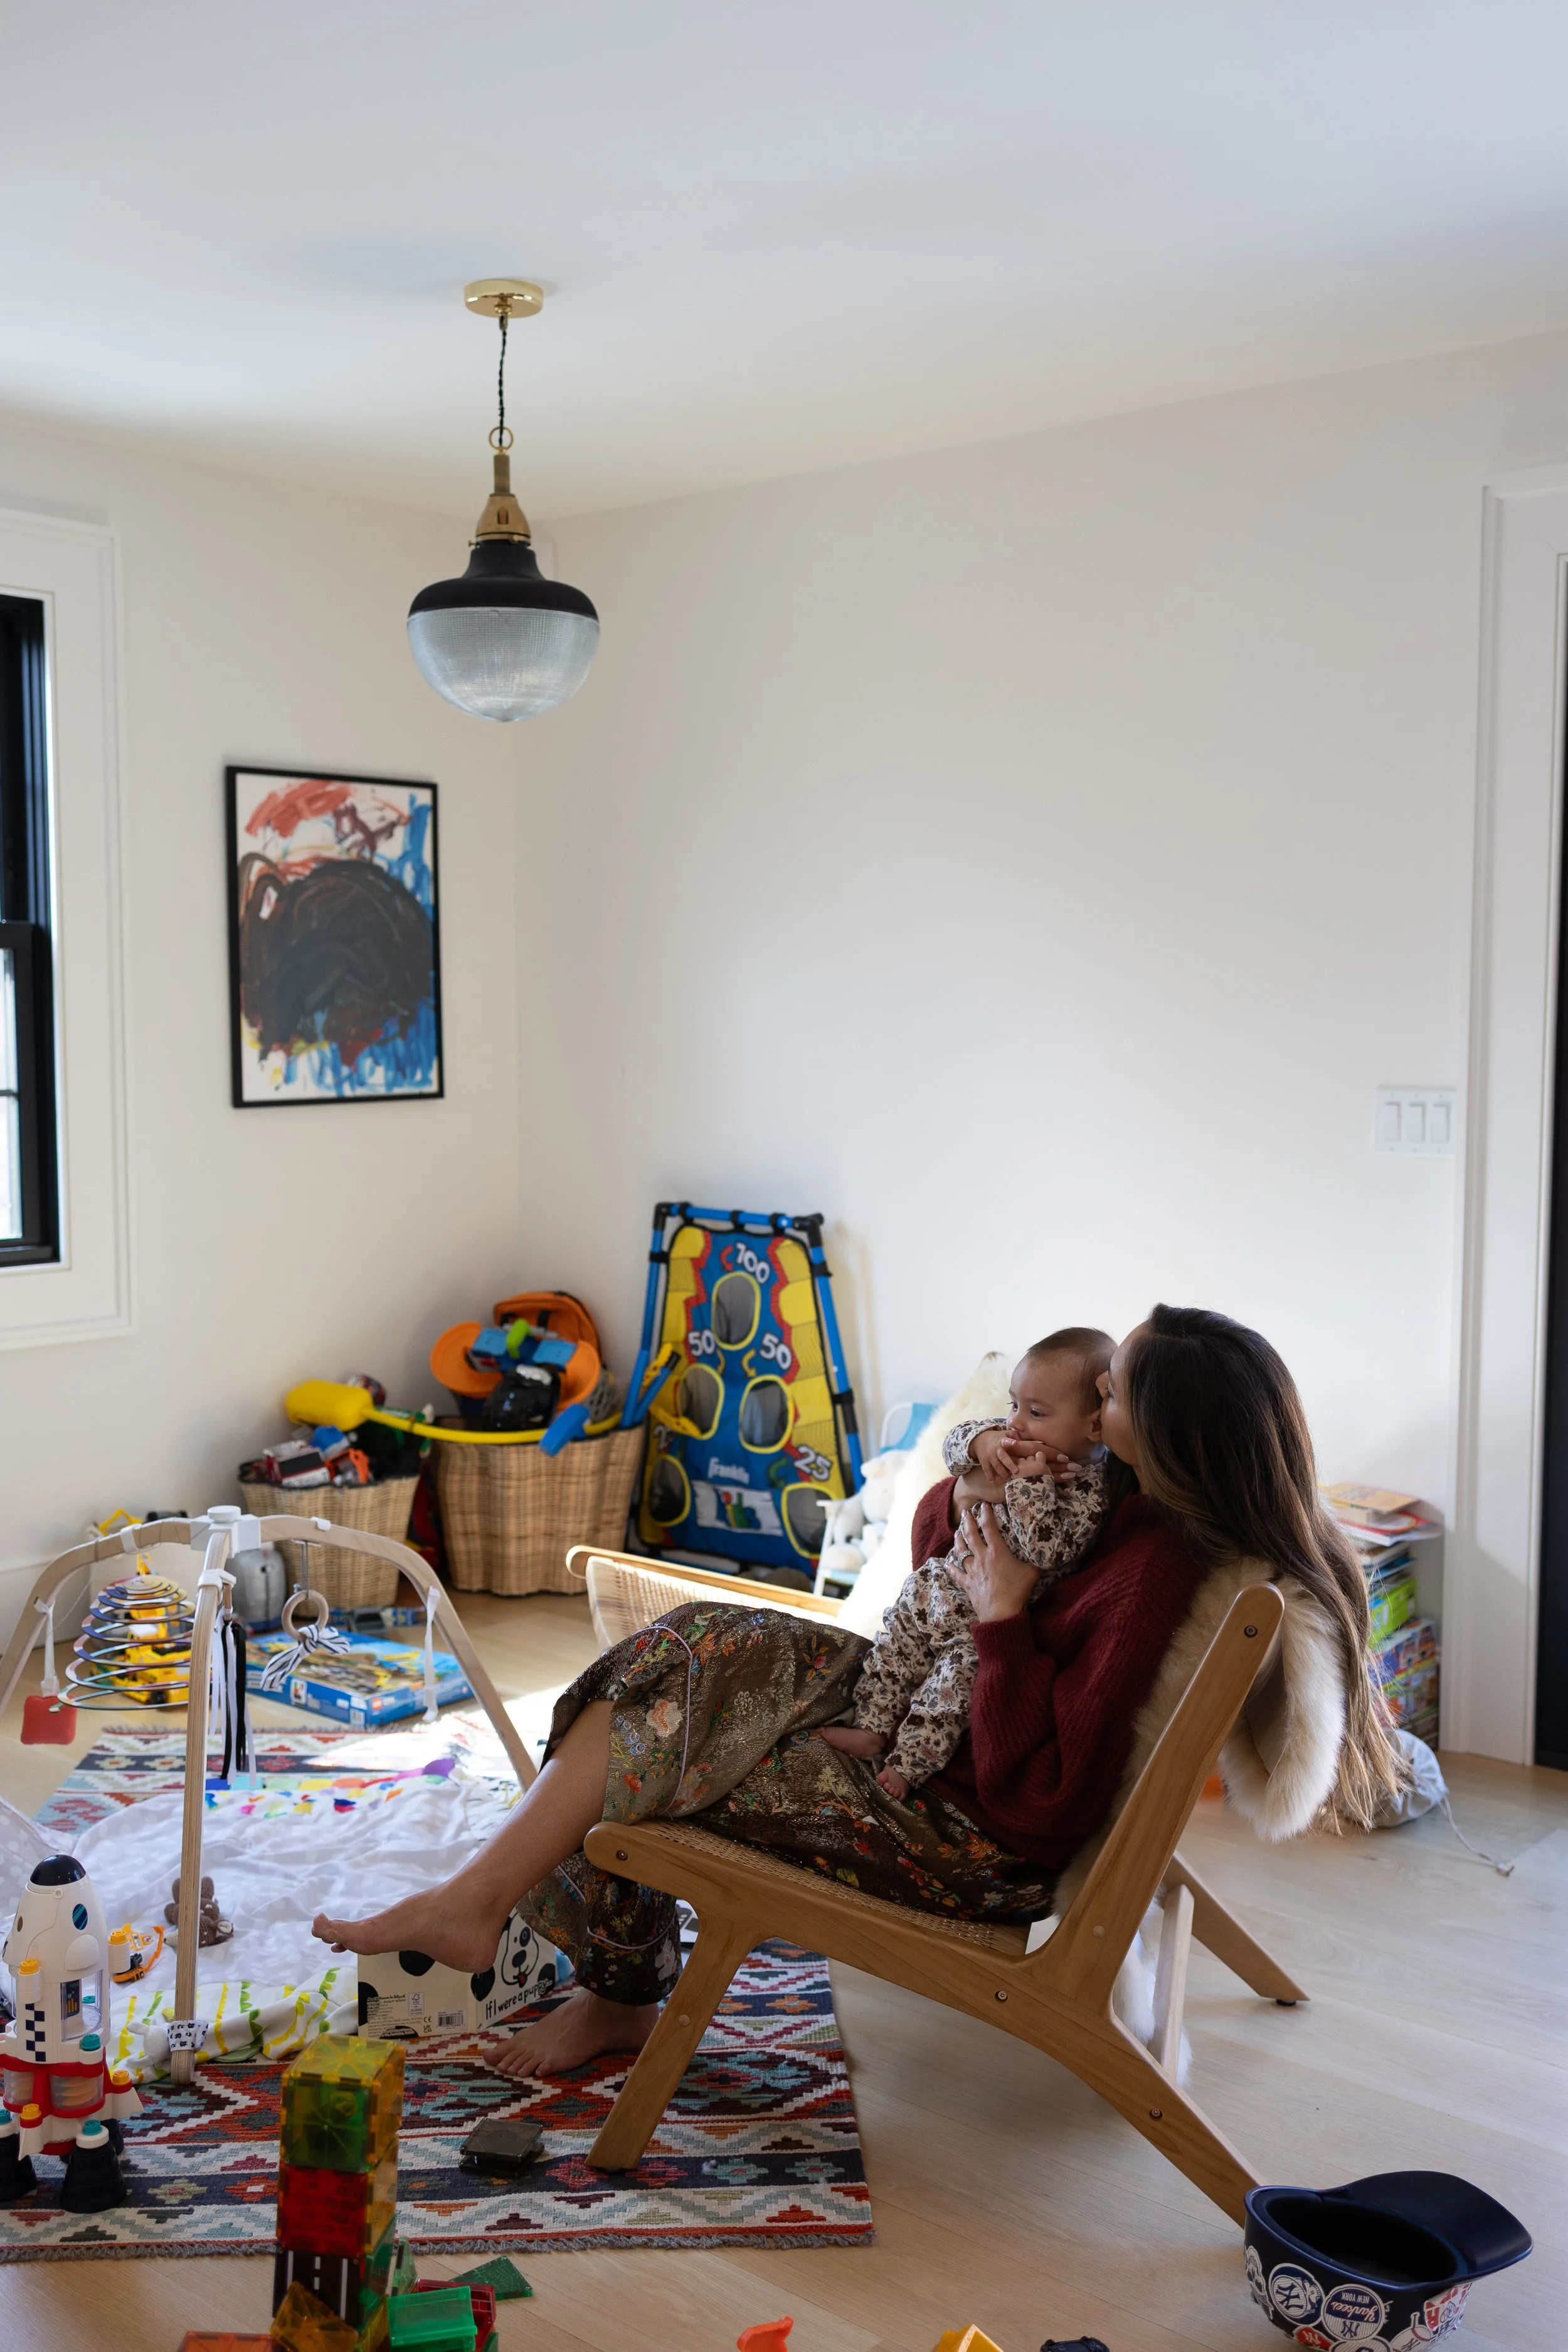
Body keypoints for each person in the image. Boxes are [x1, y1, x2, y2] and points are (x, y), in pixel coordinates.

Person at [312, 1305, 1401, 2084]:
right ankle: (512, 1924)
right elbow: (935, 1540)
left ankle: (589, 1973)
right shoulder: (1106, 1489)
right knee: (685, 1646)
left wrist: (1008, 1616)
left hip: (965, 1827)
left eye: (1114, 1390)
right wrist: (982, 1470)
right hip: (940, 1706)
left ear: (1165, 1429)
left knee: (659, 1744)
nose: (1096, 1389)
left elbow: (1045, 1806)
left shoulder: (1156, 1570)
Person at [818, 1328, 1114, 1799]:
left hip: (980, 1623)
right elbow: (954, 1447)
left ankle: (908, 1764)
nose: (1017, 1422)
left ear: (1094, 1426)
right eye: (1015, 1403)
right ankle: (872, 1723)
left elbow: (1047, 1550)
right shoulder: (1009, 1438)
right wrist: (981, 1444)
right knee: (892, 1646)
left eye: (1036, 1413)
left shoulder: (1088, 1491)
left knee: (949, 1691)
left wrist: (1030, 1483)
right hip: (938, 1584)